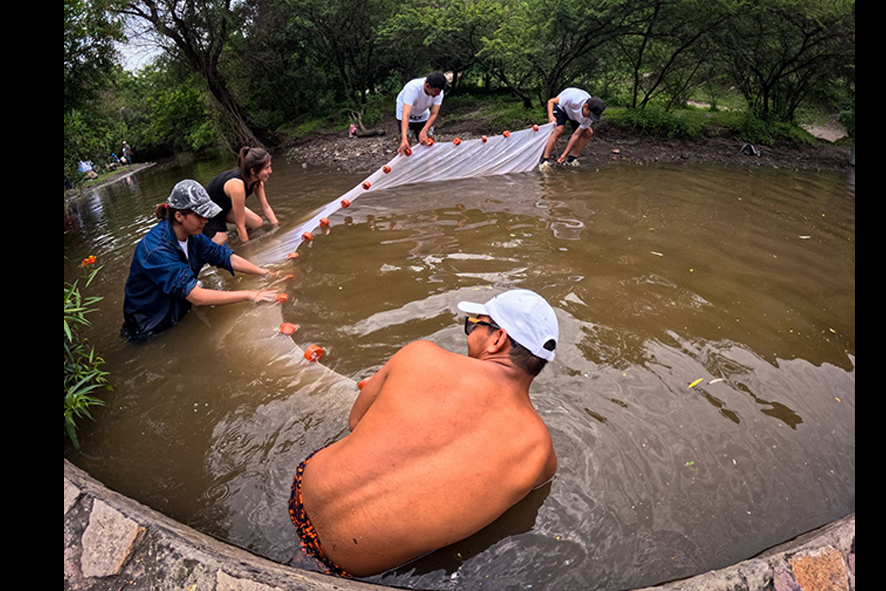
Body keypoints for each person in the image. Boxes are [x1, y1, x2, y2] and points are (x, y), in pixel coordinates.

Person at [289, 289, 559, 577]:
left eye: (473, 324)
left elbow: (357, 421)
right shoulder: (540, 452)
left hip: (302, 495)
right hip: (350, 564)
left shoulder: (419, 355)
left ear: (498, 339)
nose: (469, 332)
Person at [121, 179, 279, 342]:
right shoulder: (156, 250)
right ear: (179, 216)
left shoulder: (193, 236)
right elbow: (197, 297)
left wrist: (266, 273)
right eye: (200, 215)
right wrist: (251, 294)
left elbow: (225, 257)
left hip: (177, 313)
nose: (206, 220)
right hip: (150, 329)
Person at [203, 147, 279, 244]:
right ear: (253, 171)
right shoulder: (237, 186)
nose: (270, 171)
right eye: (267, 168)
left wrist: (277, 228)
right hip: (209, 214)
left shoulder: (257, 182)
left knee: (258, 224)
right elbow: (240, 225)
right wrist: (247, 249)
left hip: (225, 208)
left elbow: (266, 207)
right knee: (222, 242)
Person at [540, 88, 606, 166]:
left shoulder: (589, 118)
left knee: (588, 132)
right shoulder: (573, 98)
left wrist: (564, 154)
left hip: (574, 116)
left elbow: (576, 135)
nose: (589, 117)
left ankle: (572, 158)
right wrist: (551, 116)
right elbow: (551, 101)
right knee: (559, 130)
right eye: (589, 114)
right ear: (585, 106)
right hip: (562, 109)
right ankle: (545, 159)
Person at [396, 72, 447, 156]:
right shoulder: (412, 88)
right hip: (405, 113)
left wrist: (424, 130)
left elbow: (434, 113)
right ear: (427, 86)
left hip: (423, 112)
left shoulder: (439, 92)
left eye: (440, 91)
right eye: (436, 91)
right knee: (407, 141)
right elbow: (406, 115)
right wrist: (404, 139)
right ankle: (407, 163)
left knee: (428, 139)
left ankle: (430, 164)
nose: (438, 94)